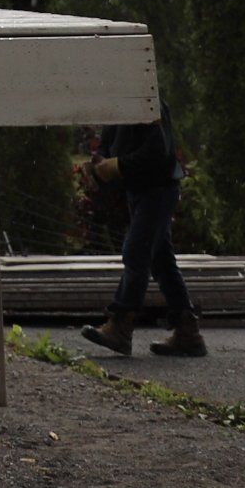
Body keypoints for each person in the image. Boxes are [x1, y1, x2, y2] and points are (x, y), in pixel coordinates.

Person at [81, 106, 205, 359]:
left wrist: (118, 165)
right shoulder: (120, 101)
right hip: (140, 191)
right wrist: (100, 163)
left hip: (159, 189)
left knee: (136, 251)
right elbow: (109, 143)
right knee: (161, 260)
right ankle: (187, 333)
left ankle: (121, 328)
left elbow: (158, 152)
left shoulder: (149, 101)